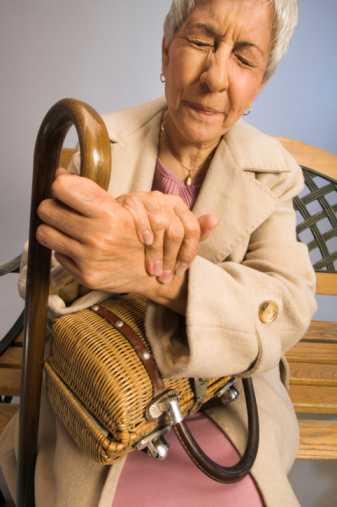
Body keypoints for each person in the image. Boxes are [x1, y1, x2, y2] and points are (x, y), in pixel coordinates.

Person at [0, 0, 317, 506]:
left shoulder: (271, 172)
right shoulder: (104, 142)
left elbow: (287, 306)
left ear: (259, 84)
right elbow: (38, 276)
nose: (215, 77)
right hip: (100, 392)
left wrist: (157, 276)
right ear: (167, 51)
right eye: (201, 42)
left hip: (225, 398)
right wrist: (113, 226)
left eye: (243, 57)